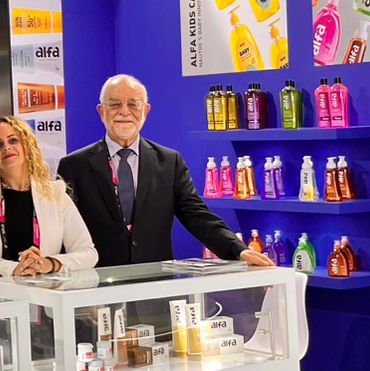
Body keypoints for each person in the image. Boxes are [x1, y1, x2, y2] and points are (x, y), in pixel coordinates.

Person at [57, 74, 275, 269]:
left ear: (146, 111)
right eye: (114, 104)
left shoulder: (169, 162)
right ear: (101, 111)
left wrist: (238, 250)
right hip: (96, 285)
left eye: (133, 104)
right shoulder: (74, 166)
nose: (124, 111)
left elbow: (196, 215)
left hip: (156, 284)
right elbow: (63, 230)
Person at [0, 116, 98, 280]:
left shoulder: (55, 192)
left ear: (27, 145)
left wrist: (50, 264)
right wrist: (13, 269)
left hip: (46, 291)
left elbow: (88, 253)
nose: (6, 147)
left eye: (13, 140)